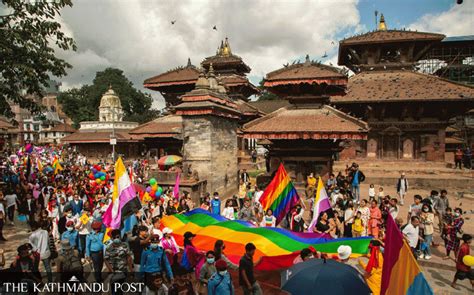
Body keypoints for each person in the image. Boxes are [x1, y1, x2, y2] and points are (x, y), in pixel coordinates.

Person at [105, 230, 133, 295]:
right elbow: (106, 259)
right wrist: (111, 270)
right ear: (111, 238)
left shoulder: (125, 245)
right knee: (114, 290)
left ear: (120, 237)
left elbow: (129, 257)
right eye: (114, 237)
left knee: (121, 289)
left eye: (117, 237)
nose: (116, 239)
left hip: (123, 271)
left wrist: (131, 270)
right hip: (113, 272)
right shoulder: (108, 247)